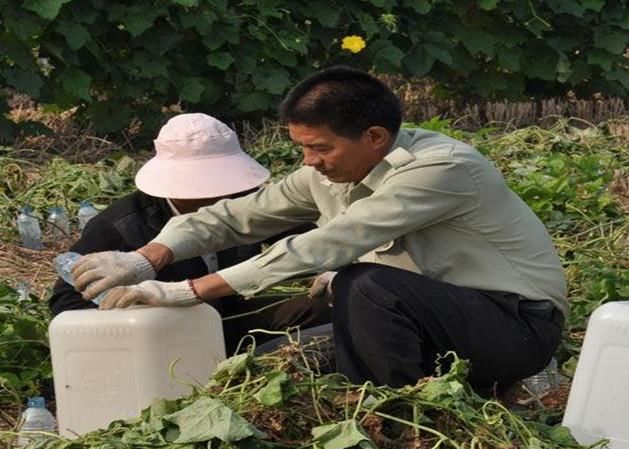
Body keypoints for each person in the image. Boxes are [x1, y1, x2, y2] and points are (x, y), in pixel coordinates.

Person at [70, 67, 568, 391]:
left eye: (322, 149)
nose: (311, 163)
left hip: (514, 327)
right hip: (433, 324)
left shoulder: (442, 168)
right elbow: (240, 214)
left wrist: (189, 290)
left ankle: (402, 415)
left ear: (374, 137)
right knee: (285, 362)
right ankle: (372, 406)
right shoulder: (325, 173)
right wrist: (147, 257)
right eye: (302, 149)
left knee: (363, 283)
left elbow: (332, 242)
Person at [49, 113, 330, 355]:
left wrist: (333, 267)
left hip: (223, 315)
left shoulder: (243, 200)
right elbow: (68, 304)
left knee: (320, 308)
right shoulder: (120, 225)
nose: (215, 195)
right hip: (162, 337)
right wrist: (141, 306)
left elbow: (305, 240)